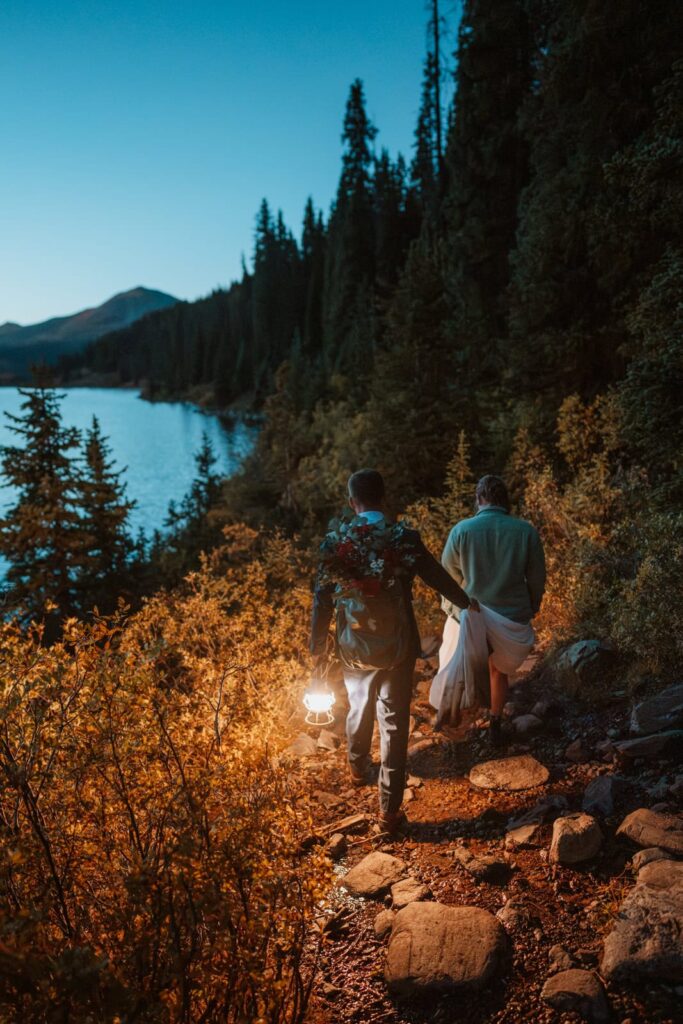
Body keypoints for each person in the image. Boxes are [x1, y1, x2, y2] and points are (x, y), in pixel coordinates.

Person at [310, 469, 478, 833]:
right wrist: (466, 603)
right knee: (394, 723)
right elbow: (435, 575)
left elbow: (321, 598)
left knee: (358, 703)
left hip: (354, 647)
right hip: (399, 647)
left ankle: (357, 767)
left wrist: (316, 647)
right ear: (384, 498)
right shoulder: (403, 537)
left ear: (352, 502)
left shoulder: (337, 542)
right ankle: (389, 810)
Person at [437, 474, 546, 748]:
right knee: (498, 671)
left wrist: (454, 610)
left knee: (471, 667)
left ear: (479, 499)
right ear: (504, 499)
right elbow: (536, 578)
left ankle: (461, 725)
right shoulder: (525, 531)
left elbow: (446, 577)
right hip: (510, 617)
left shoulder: (461, 530)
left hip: (472, 613)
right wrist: (532, 606)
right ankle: (494, 724)